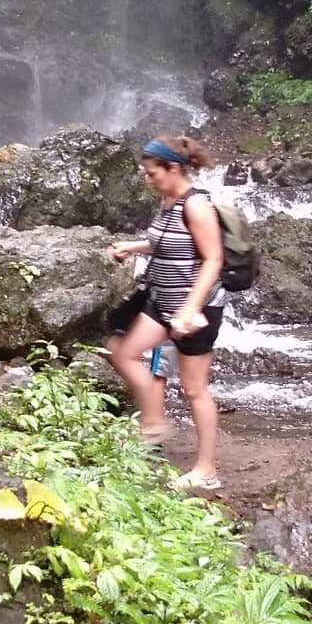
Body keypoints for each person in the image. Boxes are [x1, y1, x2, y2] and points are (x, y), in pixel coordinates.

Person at [106, 135, 226, 490]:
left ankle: (206, 470)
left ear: (174, 168)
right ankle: (153, 424)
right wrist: (133, 247)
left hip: (196, 310)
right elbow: (168, 243)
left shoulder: (197, 205)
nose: (148, 179)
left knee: (194, 389)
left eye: (152, 173)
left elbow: (213, 258)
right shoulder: (169, 201)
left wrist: (191, 305)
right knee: (121, 351)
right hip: (162, 303)